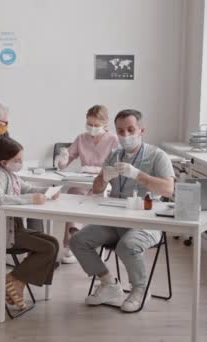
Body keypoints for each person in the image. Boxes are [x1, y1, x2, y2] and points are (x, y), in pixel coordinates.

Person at [69, 109, 175, 313]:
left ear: (141, 130)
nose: (125, 135)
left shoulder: (157, 156)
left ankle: (140, 289)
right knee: (77, 240)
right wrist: (103, 178)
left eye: (130, 129)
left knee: (127, 246)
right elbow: (97, 189)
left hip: (147, 221)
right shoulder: (115, 154)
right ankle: (109, 284)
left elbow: (168, 190)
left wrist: (138, 175)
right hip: (115, 219)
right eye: (120, 131)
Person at [0, 137, 59, 309]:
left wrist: (47, 191)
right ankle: (14, 279)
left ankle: (18, 282)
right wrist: (30, 199)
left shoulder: (11, 174)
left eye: (21, 159)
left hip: (11, 229)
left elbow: (27, 188)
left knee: (53, 242)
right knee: (48, 248)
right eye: (17, 160)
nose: (20, 163)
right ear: (4, 161)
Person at [54, 105, 119, 264]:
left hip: (104, 182)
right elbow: (64, 163)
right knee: (73, 193)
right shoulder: (81, 138)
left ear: (105, 124)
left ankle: (94, 242)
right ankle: (73, 244)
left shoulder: (113, 140)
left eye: (96, 125)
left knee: (97, 197)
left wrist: (98, 171)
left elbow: (116, 166)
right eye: (89, 124)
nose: (92, 128)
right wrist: (62, 158)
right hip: (82, 182)